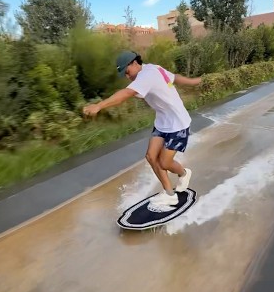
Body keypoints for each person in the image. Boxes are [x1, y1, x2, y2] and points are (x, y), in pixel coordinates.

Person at [84, 50, 202, 208]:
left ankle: (184, 173)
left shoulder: (147, 75)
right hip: (162, 122)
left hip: (178, 124)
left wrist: (99, 106)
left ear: (134, 63)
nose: (127, 77)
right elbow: (174, 77)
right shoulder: (152, 68)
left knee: (164, 162)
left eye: (127, 72)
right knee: (151, 156)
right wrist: (193, 81)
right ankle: (169, 194)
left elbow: (127, 93)